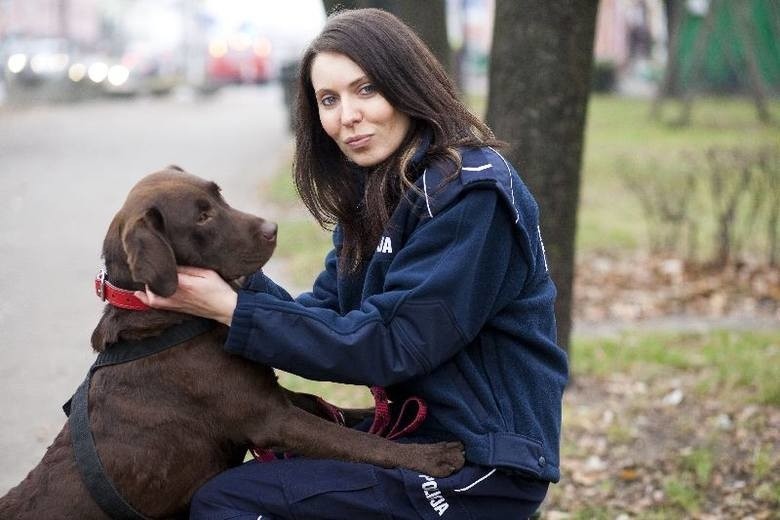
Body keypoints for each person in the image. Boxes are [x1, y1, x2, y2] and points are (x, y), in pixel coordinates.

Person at [137, 8, 568, 519]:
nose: (347, 117)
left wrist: (233, 310)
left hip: (485, 462)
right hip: (416, 434)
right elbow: (326, 315)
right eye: (328, 100)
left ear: (408, 85)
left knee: (227, 501)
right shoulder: (381, 194)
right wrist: (231, 281)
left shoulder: (468, 194)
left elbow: (389, 344)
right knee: (237, 467)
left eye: (366, 90)